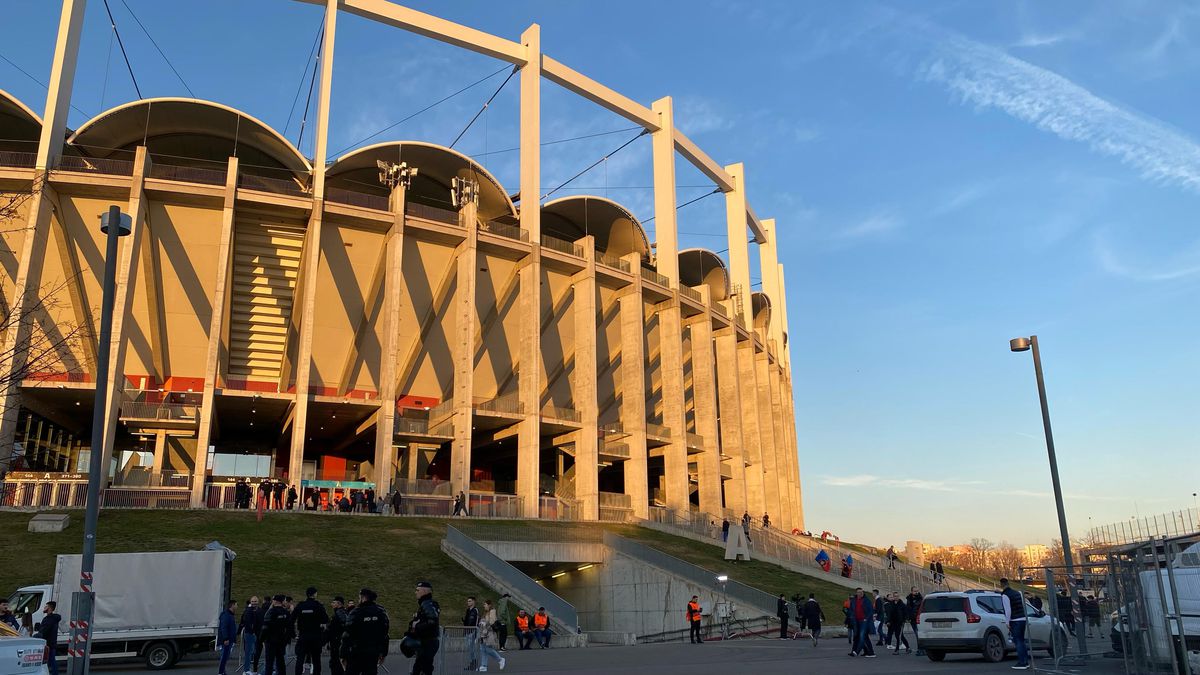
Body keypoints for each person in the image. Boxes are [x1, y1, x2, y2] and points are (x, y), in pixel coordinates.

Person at [341, 588, 390, 675]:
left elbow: (347, 635)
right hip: (373, 652)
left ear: (363, 598)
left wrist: (343, 655)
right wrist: (383, 652)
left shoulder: (355, 612)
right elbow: (385, 634)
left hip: (356, 652)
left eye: (359, 598)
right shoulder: (381, 612)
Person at [293, 587, 330, 675]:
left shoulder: (301, 605)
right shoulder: (318, 606)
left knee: (300, 659)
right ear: (315, 594)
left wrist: (293, 634)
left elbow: (292, 619)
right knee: (316, 660)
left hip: (303, 635)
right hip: (315, 636)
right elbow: (325, 619)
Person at [406, 582, 439, 675]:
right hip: (426, 642)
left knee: (423, 669)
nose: (415, 592)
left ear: (424, 591)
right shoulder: (425, 604)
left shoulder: (427, 604)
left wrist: (416, 626)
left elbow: (433, 621)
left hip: (428, 642)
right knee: (420, 668)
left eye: (417, 590)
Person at [1000, 578, 1030, 670]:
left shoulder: (1005, 595)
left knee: (1018, 641)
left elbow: (1008, 610)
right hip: (1022, 619)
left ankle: (1022, 663)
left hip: (1015, 620)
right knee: (1022, 640)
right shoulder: (1018, 593)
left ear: (1001, 585)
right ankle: (1026, 661)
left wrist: (1007, 622)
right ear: (1008, 584)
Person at [259, 595, 291, 675]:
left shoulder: (271, 612)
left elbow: (265, 627)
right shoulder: (285, 612)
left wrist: (261, 639)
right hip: (281, 641)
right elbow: (290, 628)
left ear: (275, 601)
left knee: (269, 663)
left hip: (270, 641)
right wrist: (286, 639)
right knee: (281, 662)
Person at [476, 600, 506, 672]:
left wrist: (484, 623)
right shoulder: (485, 613)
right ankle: (484, 665)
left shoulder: (492, 611)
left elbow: (492, 622)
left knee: (488, 649)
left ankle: (500, 659)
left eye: (485, 604)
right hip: (483, 633)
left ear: (489, 605)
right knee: (483, 649)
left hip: (490, 633)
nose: (484, 606)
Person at [847, 588, 876, 658]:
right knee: (859, 636)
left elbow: (871, 610)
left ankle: (856, 652)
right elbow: (850, 610)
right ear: (856, 593)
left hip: (864, 621)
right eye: (859, 592)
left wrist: (866, 618)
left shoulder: (866, 600)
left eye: (861, 592)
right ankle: (869, 652)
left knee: (862, 636)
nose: (860, 593)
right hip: (856, 621)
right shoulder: (853, 600)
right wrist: (851, 617)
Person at [325, 596, 348, 675]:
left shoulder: (338, 614)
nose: (332, 604)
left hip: (336, 642)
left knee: (335, 663)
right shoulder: (345, 612)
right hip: (342, 641)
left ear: (339, 604)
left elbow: (331, 629)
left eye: (333, 602)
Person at [239, 596, 262, 675]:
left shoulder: (258, 610)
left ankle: (251, 670)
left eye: (255, 601)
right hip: (249, 634)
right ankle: (246, 670)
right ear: (250, 602)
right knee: (249, 652)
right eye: (253, 601)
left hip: (255, 634)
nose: (254, 603)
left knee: (253, 652)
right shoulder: (248, 610)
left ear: (258, 602)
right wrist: (252, 631)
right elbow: (247, 622)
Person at [38, 602, 61, 675]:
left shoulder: (49, 619)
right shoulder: (52, 618)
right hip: (51, 643)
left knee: (49, 661)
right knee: (50, 660)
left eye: (46, 606)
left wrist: (38, 634)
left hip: (48, 643)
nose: (44, 608)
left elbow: (44, 630)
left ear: (49, 608)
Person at [218, 600, 238, 675]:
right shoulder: (226, 615)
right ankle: (220, 672)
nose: (237, 606)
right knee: (224, 657)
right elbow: (224, 627)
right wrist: (225, 638)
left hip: (229, 639)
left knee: (225, 656)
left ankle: (223, 672)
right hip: (227, 640)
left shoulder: (230, 615)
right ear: (232, 605)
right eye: (236, 605)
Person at [905, 587, 924, 656]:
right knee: (917, 635)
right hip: (912, 619)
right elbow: (907, 608)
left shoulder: (920, 598)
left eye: (917, 591)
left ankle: (921, 649)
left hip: (918, 619)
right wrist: (908, 617)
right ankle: (921, 649)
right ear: (911, 591)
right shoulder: (909, 598)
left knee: (918, 635)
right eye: (915, 591)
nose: (916, 592)